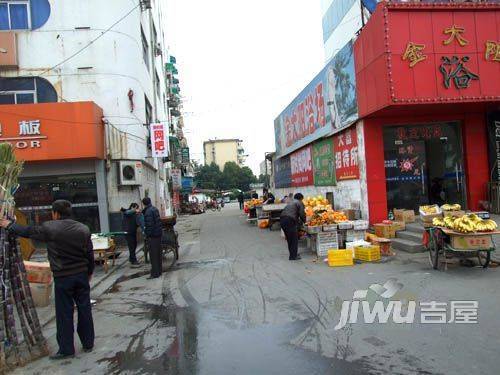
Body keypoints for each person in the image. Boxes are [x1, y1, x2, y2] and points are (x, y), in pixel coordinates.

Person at [0, 200, 95, 360]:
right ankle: (88, 343)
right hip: (81, 275)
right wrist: (90, 272)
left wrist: (8, 224)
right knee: (85, 309)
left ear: (55, 213)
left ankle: (66, 349)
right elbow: (89, 254)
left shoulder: (51, 228)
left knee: (64, 313)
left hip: (63, 277)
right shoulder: (83, 229)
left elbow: (28, 231)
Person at [280, 193, 306, 261]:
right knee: (294, 239)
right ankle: (293, 256)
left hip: (282, 220)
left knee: (289, 239)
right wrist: (305, 222)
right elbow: (302, 214)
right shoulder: (299, 202)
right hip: (289, 221)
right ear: (301, 198)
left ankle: (292, 254)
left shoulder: (291, 202)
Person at [142, 197, 163, 279]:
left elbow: (150, 226)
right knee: (158, 254)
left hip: (153, 236)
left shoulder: (148, 212)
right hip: (158, 235)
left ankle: (155, 273)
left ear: (144, 204)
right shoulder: (155, 209)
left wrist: (147, 235)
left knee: (153, 256)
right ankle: (159, 271)